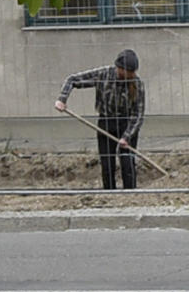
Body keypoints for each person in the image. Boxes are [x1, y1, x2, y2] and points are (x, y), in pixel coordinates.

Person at [54, 48, 146, 190]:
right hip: (106, 122)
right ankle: (110, 194)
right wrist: (62, 99)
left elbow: (138, 115)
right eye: (127, 72)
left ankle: (130, 195)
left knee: (127, 162)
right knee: (107, 163)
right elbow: (72, 80)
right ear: (119, 68)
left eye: (132, 72)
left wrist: (127, 137)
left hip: (127, 124)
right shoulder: (103, 74)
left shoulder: (137, 84)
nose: (130, 75)